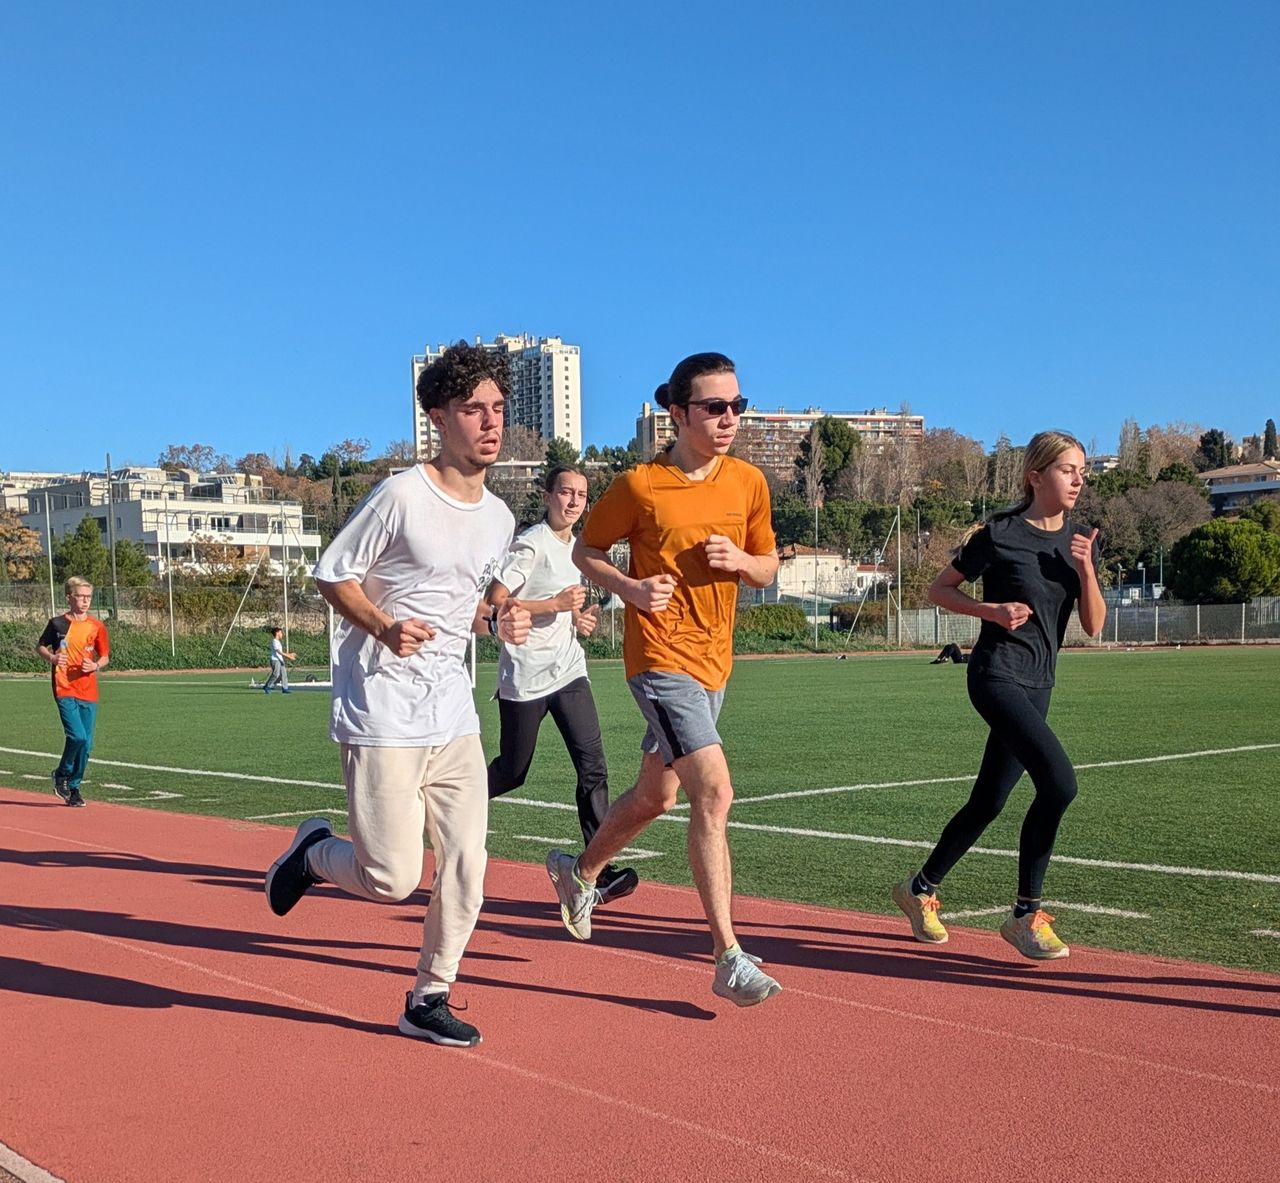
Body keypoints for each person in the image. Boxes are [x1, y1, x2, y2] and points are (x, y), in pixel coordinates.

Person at [264, 341, 531, 1047]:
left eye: (498, 407)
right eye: (473, 409)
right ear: (438, 417)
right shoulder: (401, 495)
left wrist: (502, 617)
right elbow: (333, 573)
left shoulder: (500, 518)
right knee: (390, 878)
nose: (491, 422)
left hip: (452, 710)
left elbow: (465, 605)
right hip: (382, 708)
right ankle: (314, 854)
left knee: (468, 864)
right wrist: (383, 625)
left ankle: (427, 997)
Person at [545, 351, 784, 1007]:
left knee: (658, 796)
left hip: (715, 662)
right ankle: (727, 956)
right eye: (715, 406)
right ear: (677, 413)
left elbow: (768, 565)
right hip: (659, 659)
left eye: (738, 405)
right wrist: (628, 588)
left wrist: (742, 562)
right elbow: (585, 550)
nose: (730, 417)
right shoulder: (641, 485)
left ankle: (580, 872)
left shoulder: (748, 482)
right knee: (715, 791)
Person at [892, 430, 1106, 960]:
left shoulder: (1080, 540)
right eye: (1067, 470)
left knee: (989, 800)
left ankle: (919, 888)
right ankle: (1025, 914)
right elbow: (939, 590)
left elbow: (1094, 625)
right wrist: (990, 611)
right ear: (1036, 476)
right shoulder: (1000, 535)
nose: (1078, 480)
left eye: (1082, 471)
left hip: (1040, 682)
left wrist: (1086, 568)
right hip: (995, 675)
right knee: (1059, 784)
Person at [485, 465, 638, 904]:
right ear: (548, 496)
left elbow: (566, 610)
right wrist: (554, 604)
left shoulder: (578, 549)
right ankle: (453, 799)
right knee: (512, 772)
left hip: (569, 671)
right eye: (566, 492)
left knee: (593, 768)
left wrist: (578, 620)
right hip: (525, 677)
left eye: (581, 495)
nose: (574, 501)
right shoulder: (532, 543)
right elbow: (495, 601)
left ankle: (596, 871)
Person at [37, 577, 110, 808]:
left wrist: (95, 665)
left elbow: (105, 656)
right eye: (80, 596)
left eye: (88, 596)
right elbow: (40, 646)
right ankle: (62, 773)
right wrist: (52, 658)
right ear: (69, 598)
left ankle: (74, 787)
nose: (85, 601)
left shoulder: (97, 626)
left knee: (87, 745)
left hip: (88, 690)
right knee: (77, 736)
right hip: (64, 687)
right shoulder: (57, 624)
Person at [262, 626, 296, 693]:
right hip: (275, 660)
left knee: (284, 674)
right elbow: (279, 652)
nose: (282, 634)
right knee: (276, 674)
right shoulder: (274, 641)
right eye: (281, 632)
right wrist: (289, 656)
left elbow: (281, 652)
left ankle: (285, 688)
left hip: (280, 660)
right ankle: (267, 686)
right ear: (277, 633)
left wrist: (289, 654)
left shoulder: (278, 642)